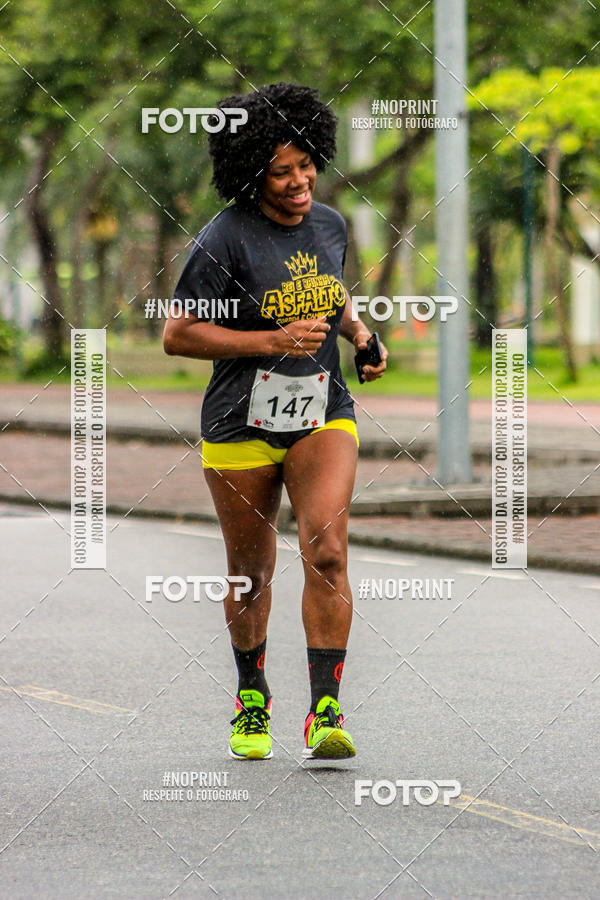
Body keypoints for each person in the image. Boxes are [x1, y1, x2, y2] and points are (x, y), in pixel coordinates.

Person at [163, 82, 387, 760]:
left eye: (306, 164)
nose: (299, 181)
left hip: (323, 410)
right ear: (251, 171)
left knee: (327, 550)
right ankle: (252, 695)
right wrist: (270, 341)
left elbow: (332, 287)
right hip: (240, 422)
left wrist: (359, 333)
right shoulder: (223, 238)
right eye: (282, 170)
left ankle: (325, 712)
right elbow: (178, 335)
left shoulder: (330, 223)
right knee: (249, 573)